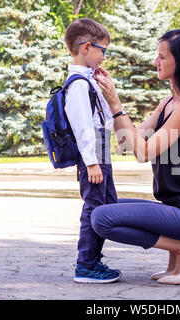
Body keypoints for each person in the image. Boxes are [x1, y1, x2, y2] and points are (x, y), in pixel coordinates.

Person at [92, 29, 180, 285]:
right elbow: (127, 144)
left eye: (162, 57)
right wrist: (109, 104)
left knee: (102, 218)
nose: (155, 62)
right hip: (176, 210)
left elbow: (144, 153)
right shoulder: (169, 102)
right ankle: (179, 252)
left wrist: (117, 105)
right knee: (103, 204)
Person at [63, 18, 121, 283]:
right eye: (102, 50)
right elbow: (83, 127)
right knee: (94, 208)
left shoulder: (88, 80)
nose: (104, 56)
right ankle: (85, 265)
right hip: (93, 158)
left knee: (106, 206)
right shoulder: (77, 85)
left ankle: (93, 260)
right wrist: (91, 163)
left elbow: (103, 119)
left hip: (100, 154)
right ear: (86, 47)